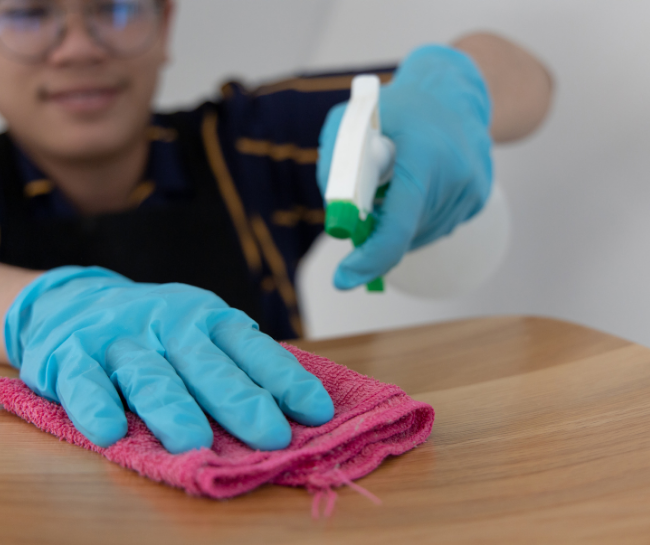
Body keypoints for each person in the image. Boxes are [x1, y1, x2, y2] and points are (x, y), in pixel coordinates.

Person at [0, 0, 553, 454]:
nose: (78, 48)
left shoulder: (246, 144)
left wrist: (451, 95)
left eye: (116, 10)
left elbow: (521, 74)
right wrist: (34, 305)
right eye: (28, 14)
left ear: (166, 24)